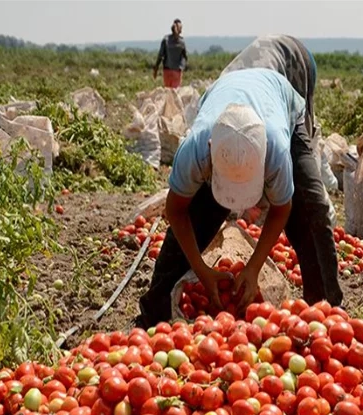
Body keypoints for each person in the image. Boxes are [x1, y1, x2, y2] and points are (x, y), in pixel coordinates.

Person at [135, 37, 342, 329]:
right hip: (226, 101)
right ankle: (154, 310)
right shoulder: (195, 149)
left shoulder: (278, 147)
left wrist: (254, 265)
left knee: (310, 210)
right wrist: (201, 269)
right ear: (211, 153)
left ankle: (326, 314)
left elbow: (283, 209)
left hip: (277, 101)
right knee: (200, 213)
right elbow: (177, 211)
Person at [153, 19, 187, 88]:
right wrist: (182, 66)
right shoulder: (181, 42)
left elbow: (160, 56)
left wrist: (156, 69)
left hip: (167, 70)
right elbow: (185, 56)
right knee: (175, 93)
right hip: (177, 71)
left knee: (168, 92)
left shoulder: (166, 39)